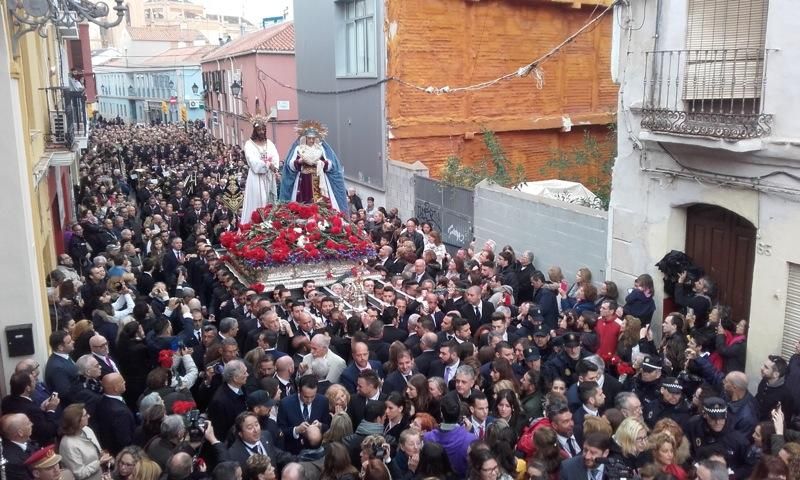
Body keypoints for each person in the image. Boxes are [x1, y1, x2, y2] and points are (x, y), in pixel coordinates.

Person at [279, 120, 348, 212]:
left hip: (318, 178)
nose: (311, 140)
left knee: (319, 201)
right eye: (309, 138)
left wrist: (321, 163)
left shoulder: (321, 149)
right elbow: (290, 165)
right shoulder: (299, 149)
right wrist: (299, 161)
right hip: (303, 179)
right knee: (303, 201)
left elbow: (330, 164)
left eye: (313, 138)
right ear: (305, 138)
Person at [241, 116, 280, 225]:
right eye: (259, 130)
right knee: (259, 199)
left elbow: (275, 156)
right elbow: (252, 161)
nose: (262, 132)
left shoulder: (269, 143)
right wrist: (267, 164)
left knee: (270, 200)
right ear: (255, 131)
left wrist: (274, 166)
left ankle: (269, 222)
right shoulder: (249, 144)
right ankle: (257, 223)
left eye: (263, 130)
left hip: (269, 177)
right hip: (256, 177)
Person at [58, 404, 113, 480]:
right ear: (76, 420)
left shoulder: (87, 429)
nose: (89, 416)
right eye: (85, 415)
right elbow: (79, 474)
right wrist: (99, 462)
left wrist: (104, 456)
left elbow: (99, 451)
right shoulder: (68, 444)